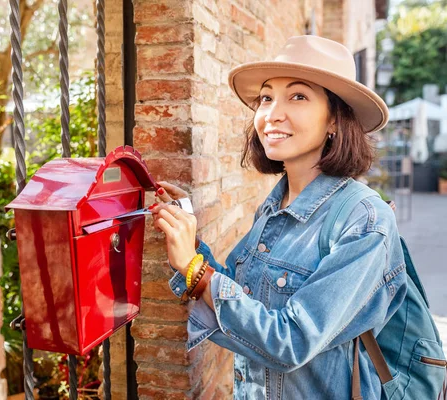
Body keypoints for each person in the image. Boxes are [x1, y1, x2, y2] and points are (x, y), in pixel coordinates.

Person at [150, 35, 407, 399]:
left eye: (298, 96)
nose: (272, 114)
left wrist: (197, 272)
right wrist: (190, 245)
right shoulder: (275, 205)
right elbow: (247, 314)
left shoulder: (365, 220)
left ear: (334, 119)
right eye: (267, 97)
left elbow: (290, 342)